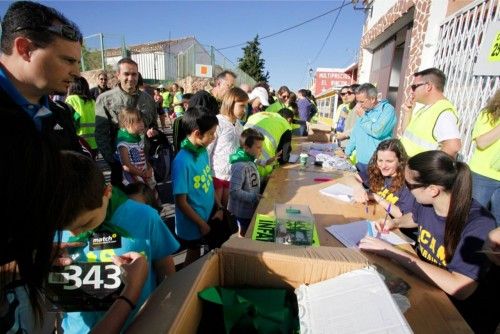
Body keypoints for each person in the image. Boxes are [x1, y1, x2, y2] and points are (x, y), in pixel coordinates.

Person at [0, 2, 146, 333]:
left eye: (78, 62)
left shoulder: (58, 117)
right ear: (24, 48)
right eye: (67, 59)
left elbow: (82, 195)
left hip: (46, 288)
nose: (76, 72)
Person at [359, 150, 498, 333]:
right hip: (423, 286)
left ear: (433, 190)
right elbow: (415, 217)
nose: (405, 189)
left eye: (409, 185)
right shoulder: (427, 202)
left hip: (454, 315)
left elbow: (460, 287)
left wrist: (393, 252)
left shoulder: (479, 225)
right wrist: (395, 222)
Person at [59, 151, 179, 334]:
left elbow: (166, 269)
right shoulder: (53, 226)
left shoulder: (145, 217)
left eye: (85, 223)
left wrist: (170, 314)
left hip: (139, 325)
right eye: (66, 228)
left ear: (106, 192)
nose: (74, 233)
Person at [95, 57, 157, 187]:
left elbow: (153, 124)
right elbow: (101, 134)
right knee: (124, 204)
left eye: (134, 74)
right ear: (118, 75)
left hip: (144, 162)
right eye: (126, 74)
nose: (130, 78)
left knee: (148, 203)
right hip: (120, 165)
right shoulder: (105, 99)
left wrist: (153, 132)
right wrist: (112, 161)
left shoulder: (148, 100)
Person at [172, 106, 222, 265]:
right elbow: (181, 202)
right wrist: (202, 224)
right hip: (193, 223)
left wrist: (218, 204)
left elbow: (208, 180)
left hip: (206, 217)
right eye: (211, 134)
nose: (214, 137)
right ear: (197, 134)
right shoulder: (182, 162)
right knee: (193, 255)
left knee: (206, 252)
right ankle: (189, 283)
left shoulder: (202, 151)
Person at [352, 139, 416, 238]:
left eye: (389, 161)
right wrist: (359, 188)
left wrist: (377, 198)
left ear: (400, 161)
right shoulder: (377, 170)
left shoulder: (408, 182)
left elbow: (401, 215)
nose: (383, 166)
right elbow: (355, 177)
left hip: (397, 233)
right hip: (375, 220)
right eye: (380, 160)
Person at [400, 67, 461, 158]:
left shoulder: (443, 112)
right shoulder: (427, 108)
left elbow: (453, 147)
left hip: (417, 169)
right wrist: (408, 112)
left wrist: (429, 169)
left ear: (428, 86)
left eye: (414, 87)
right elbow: (406, 135)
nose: (412, 91)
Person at [208, 87, 249, 208]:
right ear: (231, 103)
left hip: (232, 176)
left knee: (227, 210)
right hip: (216, 175)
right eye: (242, 106)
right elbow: (207, 150)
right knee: (215, 210)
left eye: (245, 106)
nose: (245, 110)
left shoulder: (239, 126)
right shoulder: (217, 122)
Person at [343, 83, 396, 176]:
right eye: (357, 102)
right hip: (360, 163)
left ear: (372, 99)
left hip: (378, 166)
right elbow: (355, 134)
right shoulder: (364, 111)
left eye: (362, 102)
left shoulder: (387, 110)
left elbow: (377, 131)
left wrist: (363, 117)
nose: (359, 105)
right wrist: (347, 153)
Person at [469, 89, 500, 225]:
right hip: (482, 176)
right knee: (474, 218)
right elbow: (481, 143)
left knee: (497, 224)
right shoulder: (487, 115)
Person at [228, 128, 264, 237]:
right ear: (246, 148)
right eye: (258, 147)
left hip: (250, 208)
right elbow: (234, 191)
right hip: (242, 212)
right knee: (244, 234)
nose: (261, 150)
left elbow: (251, 180)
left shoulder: (250, 160)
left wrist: (264, 178)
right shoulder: (240, 166)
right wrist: (254, 197)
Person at [244, 108, 294, 180]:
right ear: (289, 120)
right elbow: (284, 158)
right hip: (261, 170)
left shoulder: (258, 115)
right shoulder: (285, 125)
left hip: (242, 160)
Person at [116, 107, 156, 191]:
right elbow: (126, 166)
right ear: (127, 124)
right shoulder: (124, 143)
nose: (142, 124)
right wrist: (143, 174)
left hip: (144, 175)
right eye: (138, 122)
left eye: (142, 121)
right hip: (134, 179)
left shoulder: (137, 137)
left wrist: (149, 168)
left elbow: (143, 156)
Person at [66, 76, 97, 155]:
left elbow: (71, 120)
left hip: (80, 142)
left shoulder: (71, 99)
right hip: (94, 142)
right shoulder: (92, 101)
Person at [335, 83, 360, 147]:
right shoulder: (345, 107)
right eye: (343, 94)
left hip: (350, 144)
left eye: (348, 93)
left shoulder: (360, 108)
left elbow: (359, 128)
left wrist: (344, 135)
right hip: (344, 142)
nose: (346, 95)